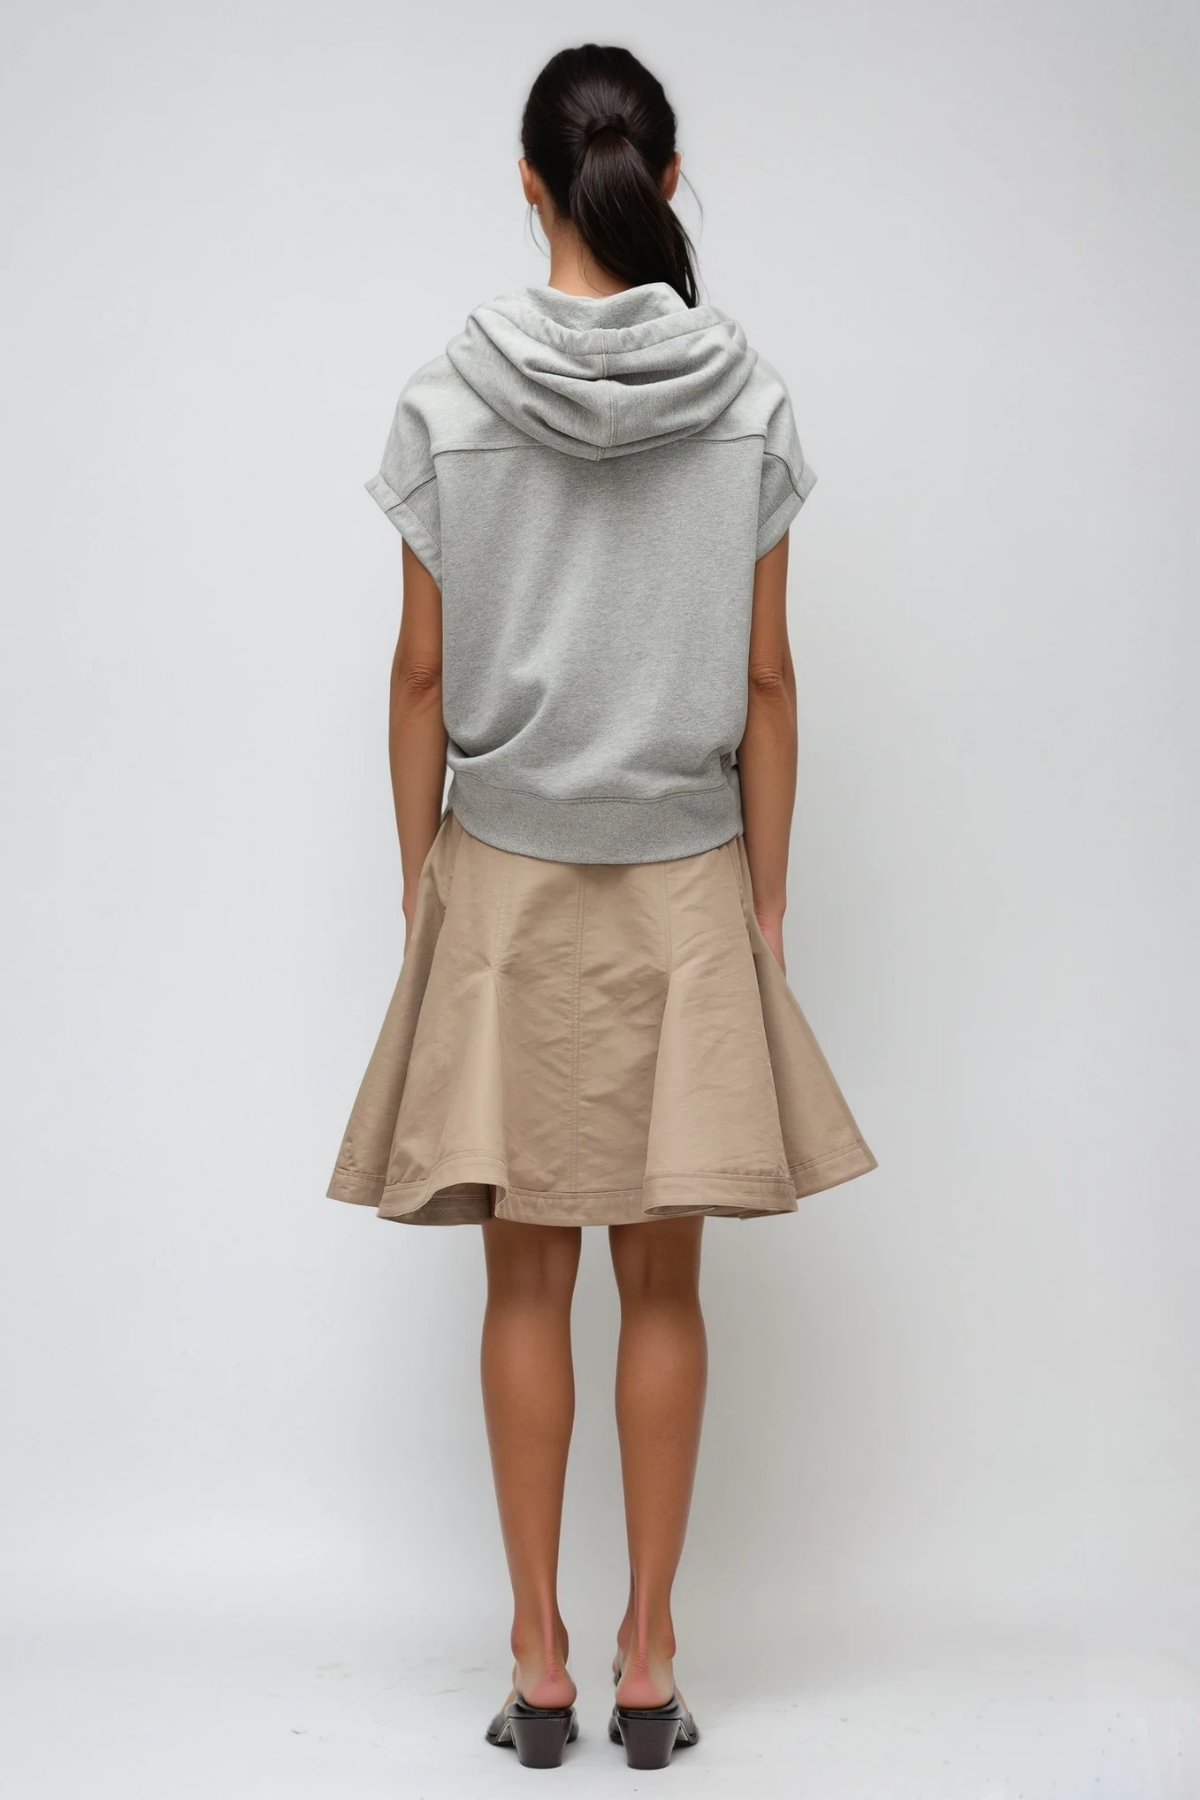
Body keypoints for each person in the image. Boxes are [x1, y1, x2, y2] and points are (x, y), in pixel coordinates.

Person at [326, 41, 877, 1772]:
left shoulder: (446, 399)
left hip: (503, 886)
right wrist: (763, 899)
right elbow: (768, 681)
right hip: (684, 883)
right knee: (663, 1290)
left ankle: (536, 1662)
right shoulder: (749, 398)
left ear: (527, 180)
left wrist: (421, 880)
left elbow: (420, 677)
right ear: (667, 172)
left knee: (521, 1286)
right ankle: (652, 1659)